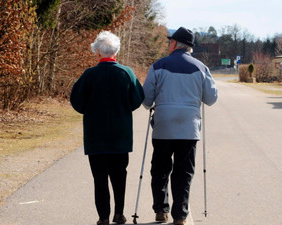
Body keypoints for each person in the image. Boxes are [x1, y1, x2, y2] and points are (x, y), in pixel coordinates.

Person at [142, 27, 218, 225]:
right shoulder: (201, 68)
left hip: (163, 126)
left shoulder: (158, 66)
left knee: (159, 169)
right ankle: (180, 215)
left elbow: (146, 100)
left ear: (174, 44)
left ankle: (161, 209)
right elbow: (211, 98)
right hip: (189, 128)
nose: (169, 45)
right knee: (183, 172)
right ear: (190, 48)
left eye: (170, 42)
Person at [70, 31, 145, 225]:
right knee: (120, 176)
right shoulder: (126, 73)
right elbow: (138, 98)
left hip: (96, 137)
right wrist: (124, 107)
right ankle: (119, 214)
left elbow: (76, 101)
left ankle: (103, 217)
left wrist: (89, 109)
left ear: (97, 52)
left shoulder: (90, 75)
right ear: (116, 52)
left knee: (100, 178)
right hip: (120, 136)